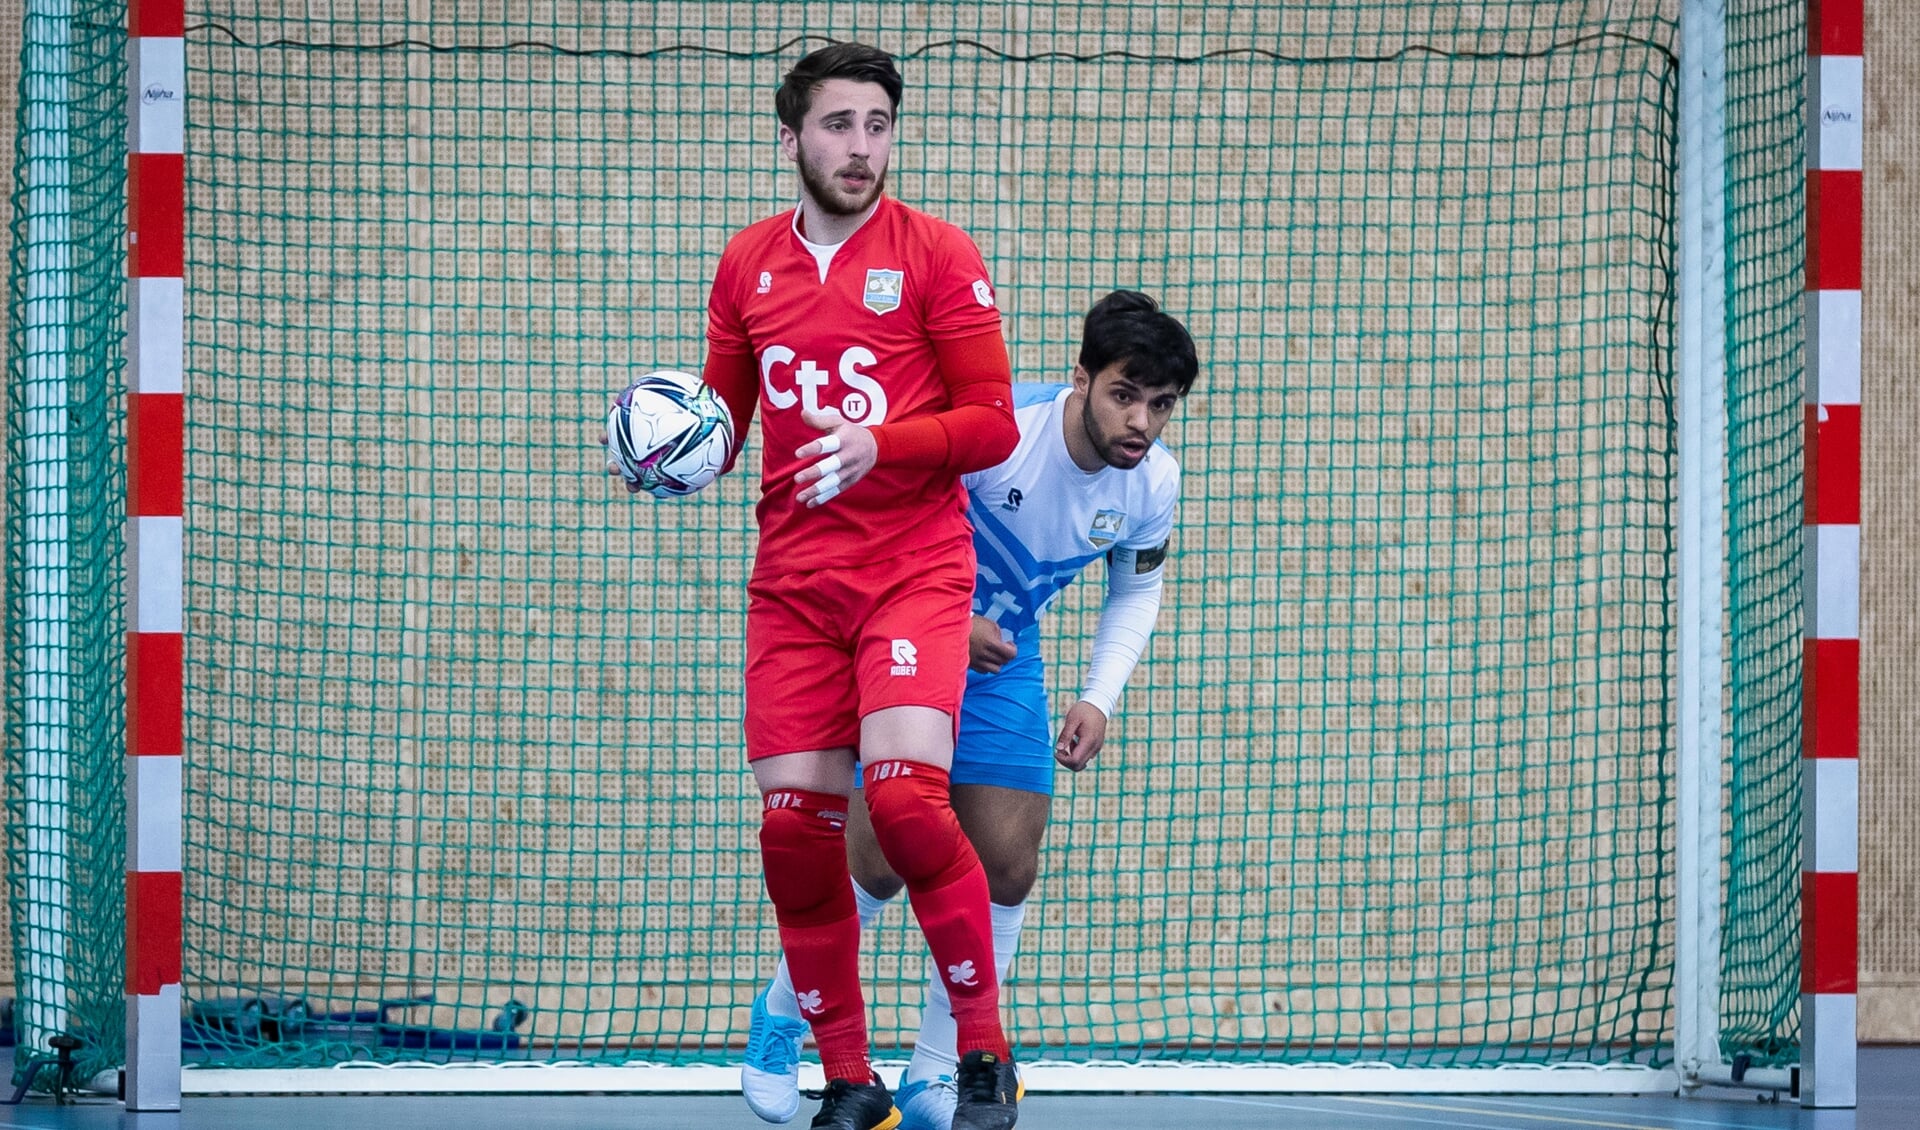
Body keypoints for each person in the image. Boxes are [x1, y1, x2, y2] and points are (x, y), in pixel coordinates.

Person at [620, 41, 1025, 1130]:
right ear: (790, 135)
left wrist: (881, 443)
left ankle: (981, 1052)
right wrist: (666, 447)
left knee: (902, 799)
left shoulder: (937, 252)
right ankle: (849, 1078)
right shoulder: (747, 261)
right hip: (794, 582)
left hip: (911, 568)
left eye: (878, 125)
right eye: (839, 125)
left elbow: (990, 423)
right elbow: (722, 416)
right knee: (794, 830)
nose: (861, 147)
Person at [742, 291, 1198, 1130]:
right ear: (1080, 380)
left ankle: (936, 1074)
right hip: (899, 630)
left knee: (1009, 863)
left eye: (1161, 405)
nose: (1142, 421)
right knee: (878, 859)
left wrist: (1099, 696)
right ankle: (781, 1019)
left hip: (1000, 664)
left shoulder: (1152, 485)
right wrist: (947, 616)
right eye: (1124, 395)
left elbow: (1137, 588)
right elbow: (877, 512)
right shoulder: (1002, 432)